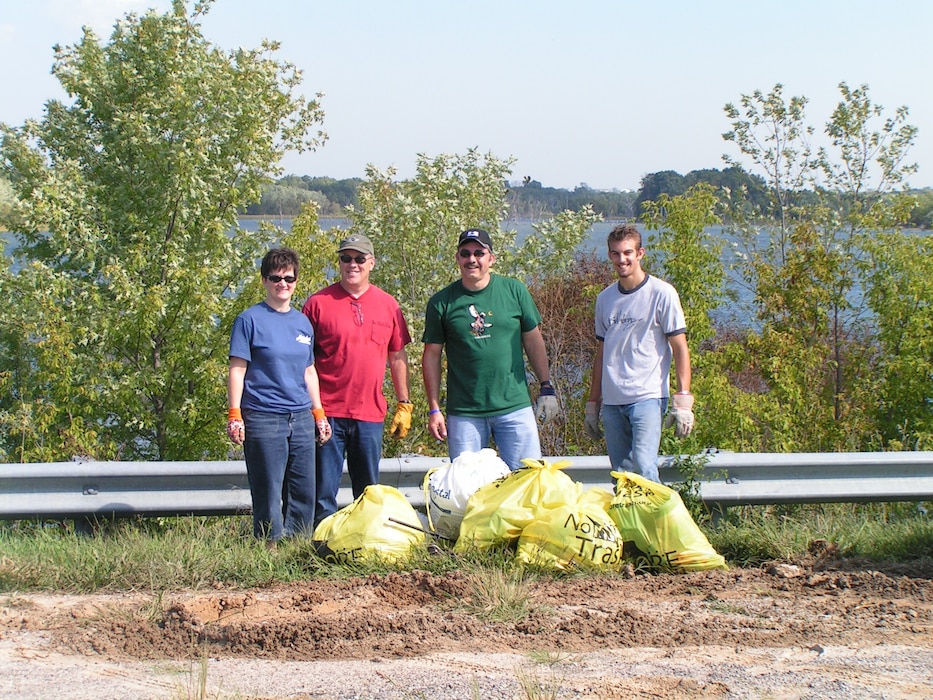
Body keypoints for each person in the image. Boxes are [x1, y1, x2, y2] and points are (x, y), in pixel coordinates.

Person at [422, 228, 560, 470]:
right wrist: (434, 408)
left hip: (514, 408)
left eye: (479, 253)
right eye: (465, 253)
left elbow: (533, 341)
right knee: (468, 491)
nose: (472, 259)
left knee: (526, 481)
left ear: (491, 259)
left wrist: (546, 387)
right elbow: (431, 356)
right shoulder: (441, 302)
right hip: (465, 413)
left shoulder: (514, 291)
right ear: (457, 258)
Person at [302, 233, 412, 526]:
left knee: (368, 493)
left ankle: (366, 541)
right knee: (322, 492)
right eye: (346, 258)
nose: (352, 264)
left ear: (371, 263)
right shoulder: (317, 303)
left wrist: (405, 404)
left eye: (359, 259)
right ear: (339, 262)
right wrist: (310, 409)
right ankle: (321, 546)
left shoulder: (389, 305)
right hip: (326, 414)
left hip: (369, 415)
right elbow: (302, 361)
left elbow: (397, 356)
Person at [227, 247, 332, 545]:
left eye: (288, 278)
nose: (282, 284)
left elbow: (309, 371)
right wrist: (235, 415)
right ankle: (268, 547)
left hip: (300, 418)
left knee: (303, 489)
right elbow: (237, 369)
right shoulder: (249, 320)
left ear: (296, 281)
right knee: (269, 490)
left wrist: (319, 414)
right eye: (275, 278)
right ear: (264, 280)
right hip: (263, 417)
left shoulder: (302, 323)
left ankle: (296, 545)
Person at [585, 224, 694, 483]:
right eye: (615, 254)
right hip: (612, 401)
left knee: (645, 468)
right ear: (610, 256)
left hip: (648, 396)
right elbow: (601, 353)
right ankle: (628, 523)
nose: (622, 260)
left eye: (627, 253)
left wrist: (683, 400)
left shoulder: (661, 293)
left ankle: (656, 522)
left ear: (640, 253)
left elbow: (680, 347)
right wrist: (593, 404)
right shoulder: (605, 299)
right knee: (620, 475)